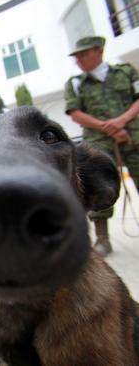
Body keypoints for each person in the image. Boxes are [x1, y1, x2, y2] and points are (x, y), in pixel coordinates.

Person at [64, 35, 139, 256]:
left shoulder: (126, 72)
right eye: (76, 56)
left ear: (99, 51)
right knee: (100, 186)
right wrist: (107, 126)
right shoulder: (76, 83)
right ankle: (103, 239)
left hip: (133, 136)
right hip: (99, 142)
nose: (79, 60)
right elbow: (75, 113)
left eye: (84, 54)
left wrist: (121, 121)